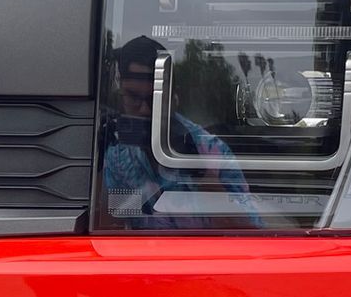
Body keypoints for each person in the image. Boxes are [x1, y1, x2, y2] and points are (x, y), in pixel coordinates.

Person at [101, 36, 262, 227]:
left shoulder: (210, 151)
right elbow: (115, 222)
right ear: (120, 96)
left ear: (173, 98)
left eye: (154, 99)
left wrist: (200, 172)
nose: (144, 109)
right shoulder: (119, 156)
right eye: (133, 97)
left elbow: (247, 230)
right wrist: (96, 159)